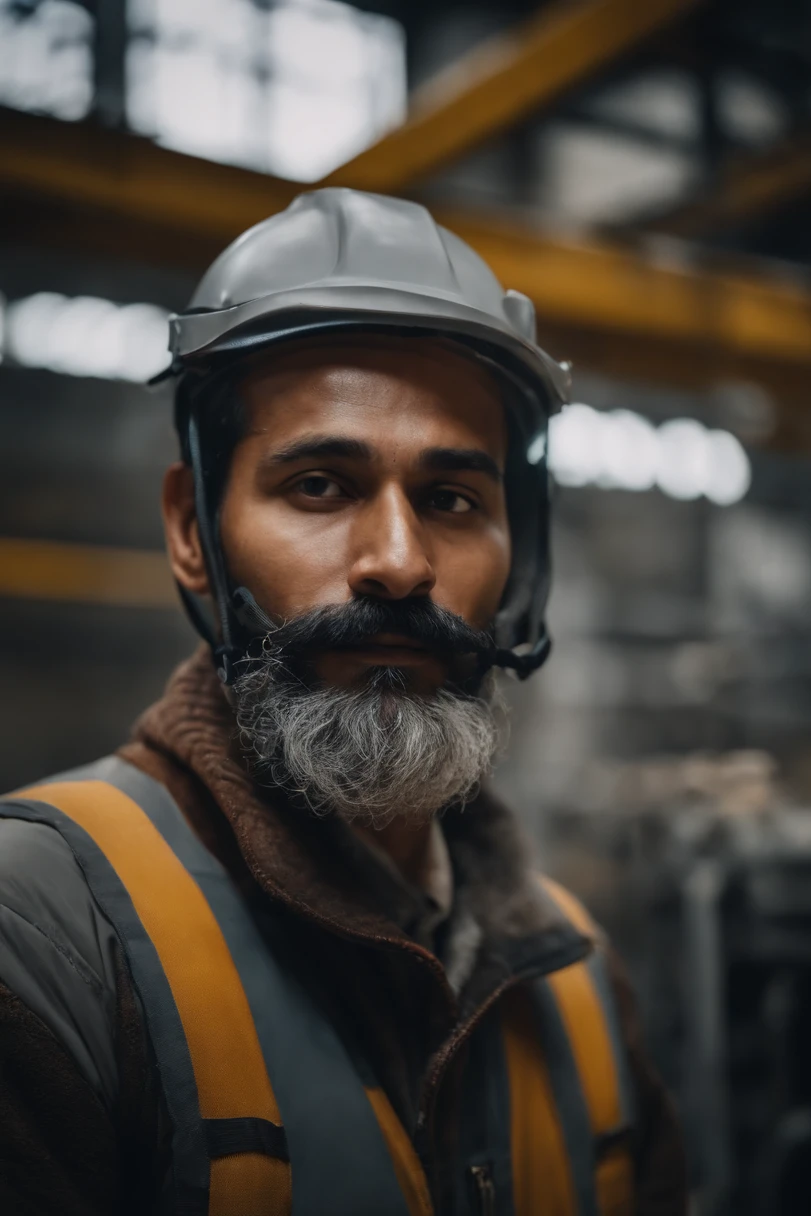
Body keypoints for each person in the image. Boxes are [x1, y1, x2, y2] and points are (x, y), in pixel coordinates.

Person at [0, 189, 685, 1215]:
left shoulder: (574, 974)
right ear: (193, 527)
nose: (400, 565)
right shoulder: (40, 934)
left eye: (453, 499)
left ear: (519, 550)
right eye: (320, 484)